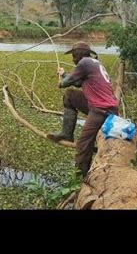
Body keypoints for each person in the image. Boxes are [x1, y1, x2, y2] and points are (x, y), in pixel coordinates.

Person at [48, 41, 119, 177]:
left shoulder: (84, 62)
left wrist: (62, 82)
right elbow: (79, 82)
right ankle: (67, 133)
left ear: (78, 55)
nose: (73, 60)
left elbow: (68, 82)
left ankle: (81, 177)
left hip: (102, 109)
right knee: (70, 95)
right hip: (102, 105)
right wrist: (64, 75)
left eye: (73, 56)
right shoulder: (93, 64)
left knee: (83, 143)